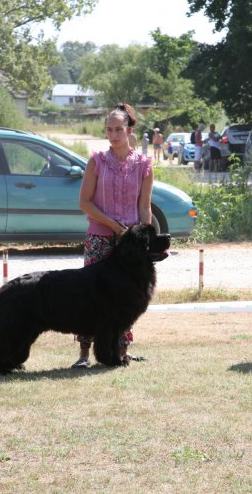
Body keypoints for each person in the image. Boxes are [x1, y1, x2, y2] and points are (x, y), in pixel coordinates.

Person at [73, 102, 153, 368]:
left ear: (130, 130)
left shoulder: (144, 164)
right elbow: (84, 202)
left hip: (129, 244)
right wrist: (112, 224)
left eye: (118, 129)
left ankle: (122, 350)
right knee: (88, 297)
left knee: (128, 298)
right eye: (109, 129)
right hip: (99, 237)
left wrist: (146, 240)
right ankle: (84, 354)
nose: (113, 134)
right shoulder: (96, 161)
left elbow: (144, 207)